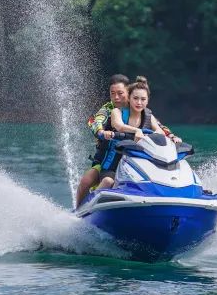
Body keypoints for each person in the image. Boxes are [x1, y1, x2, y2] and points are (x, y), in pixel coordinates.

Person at [74, 75, 180, 207]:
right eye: (112, 94)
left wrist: (171, 137)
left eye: (120, 93)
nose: (116, 97)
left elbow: (160, 127)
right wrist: (101, 132)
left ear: (127, 93)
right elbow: (98, 121)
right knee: (87, 181)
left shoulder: (145, 112)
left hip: (137, 159)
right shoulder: (111, 109)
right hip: (108, 157)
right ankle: (81, 210)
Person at [96, 76, 180, 190]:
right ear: (129, 98)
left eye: (143, 99)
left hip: (140, 161)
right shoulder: (117, 111)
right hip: (114, 162)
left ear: (147, 100)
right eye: (135, 98)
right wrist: (137, 130)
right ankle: (93, 199)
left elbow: (160, 130)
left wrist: (171, 137)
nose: (139, 102)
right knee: (108, 181)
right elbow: (119, 126)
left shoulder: (148, 115)